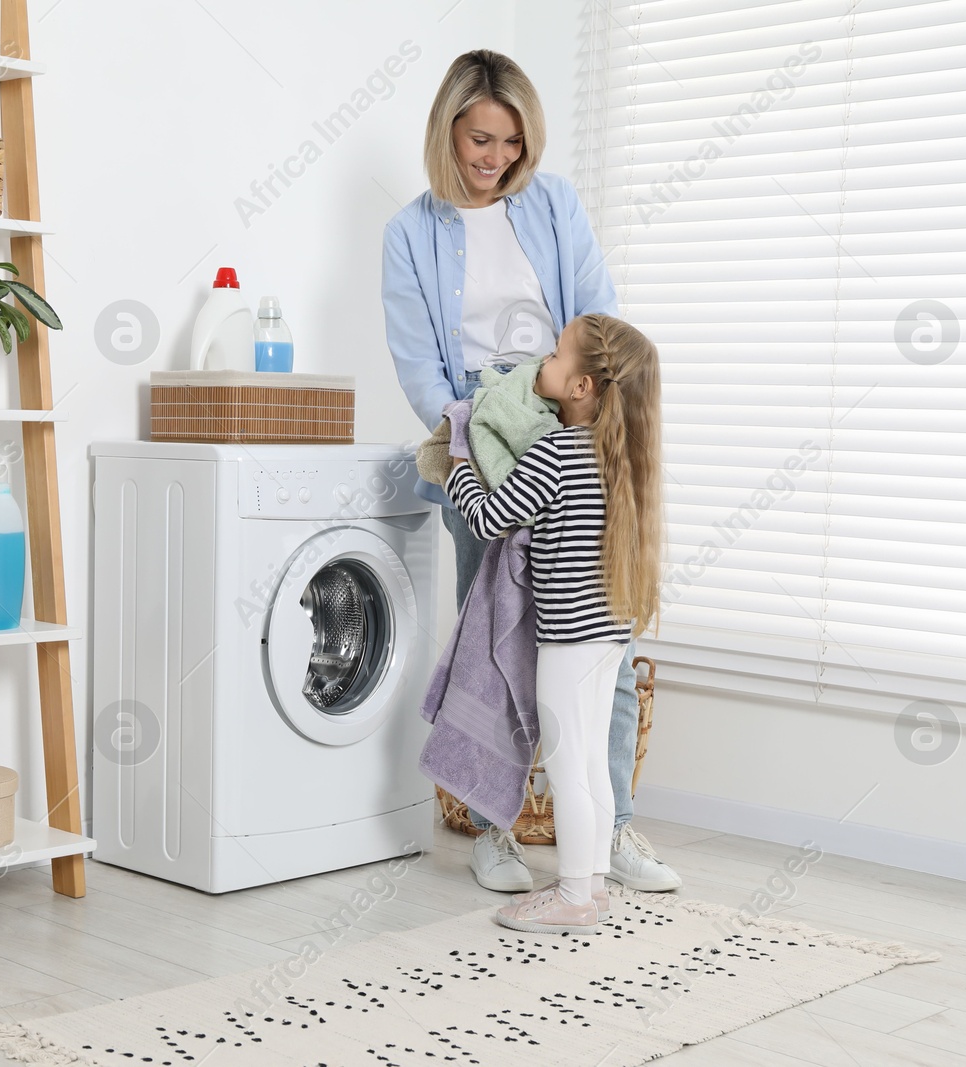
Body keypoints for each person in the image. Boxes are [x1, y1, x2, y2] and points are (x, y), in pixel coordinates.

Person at [382, 49, 681, 895]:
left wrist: (580, 410)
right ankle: (494, 830)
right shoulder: (411, 231)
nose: (496, 158)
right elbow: (418, 361)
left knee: (604, 629)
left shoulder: (552, 204)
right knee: (496, 637)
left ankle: (613, 825)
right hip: (480, 418)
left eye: (512, 142)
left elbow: (597, 310)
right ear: (448, 129)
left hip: (571, 404)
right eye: (481, 138)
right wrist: (467, 439)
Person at [446, 314, 661, 933]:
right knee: (592, 761)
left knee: (568, 763)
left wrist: (461, 452)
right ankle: (591, 885)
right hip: (610, 634)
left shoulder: (555, 452)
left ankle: (569, 896)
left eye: (556, 354)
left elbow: (490, 518)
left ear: (582, 387)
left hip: (566, 639)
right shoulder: (622, 456)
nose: (543, 359)